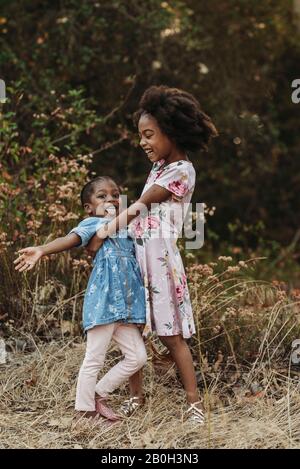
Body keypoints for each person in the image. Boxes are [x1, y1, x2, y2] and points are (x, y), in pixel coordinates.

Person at [87, 86, 218, 424]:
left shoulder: (181, 171)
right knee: (134, 330)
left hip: (160, 265)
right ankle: (136, 397)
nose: (142, 142)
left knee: (172, 336)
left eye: (149, 135)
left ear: (171, 133)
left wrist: (104, 231)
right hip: (137, 263)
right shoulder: (158, 167)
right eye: (140, 135)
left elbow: (143, 205)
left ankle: (193, 404)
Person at [14, 176, 147, 424]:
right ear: (89, 207)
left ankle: (97, 393)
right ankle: (84, 412)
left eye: (115, 195)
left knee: (138, 357)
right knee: (94, 358)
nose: (111, 199)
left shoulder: (127, 230)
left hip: (128, 308)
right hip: (103, 304)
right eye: (102, 196)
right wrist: (43, 249)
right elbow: (70, 240)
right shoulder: (92, 223)